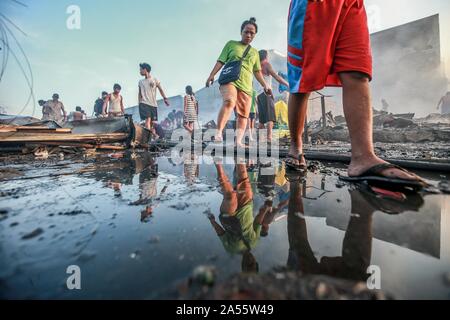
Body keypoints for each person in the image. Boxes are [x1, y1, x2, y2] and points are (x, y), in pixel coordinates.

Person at [285, 0, 426, 189]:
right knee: (302, 82)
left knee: (357, 70)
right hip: (314, 5)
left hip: (351, 3)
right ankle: (296, 146)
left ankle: (363, 156)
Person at [205, 17, 272, 148]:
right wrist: (212, 75)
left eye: (252, 33)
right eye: (246, 32)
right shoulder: (231, 44)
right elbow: (221, 61)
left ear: (255, 35)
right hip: (229, 80)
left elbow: (257, 71)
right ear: (241, 32)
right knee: (229, 101)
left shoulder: (254, 52)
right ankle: (218, 133)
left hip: (246, 86)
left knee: (243, 115)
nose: (248, 35)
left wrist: (265, 85)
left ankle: (238, 142)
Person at [256, 50, 289, 143]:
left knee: (262, 119)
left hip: (259, 94)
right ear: (266, 56)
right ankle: (269, 138)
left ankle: (261, 139)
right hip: (266, 92)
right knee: (270, 117)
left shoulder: (257, 67)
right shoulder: (266, 64)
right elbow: (276, 76)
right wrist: (287, 84)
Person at [138, 63, 170, 137]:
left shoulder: (154, 79)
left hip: (153, 104)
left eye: (140, 70)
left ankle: (153, 136)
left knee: (152, 123)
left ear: (145, 70)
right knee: (148, 120)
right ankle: (147, 139)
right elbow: (139, 94)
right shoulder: (140, 82)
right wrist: (139, 103)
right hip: (144, 103)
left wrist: (165, 98)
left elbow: (160, 89)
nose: (140, 72)